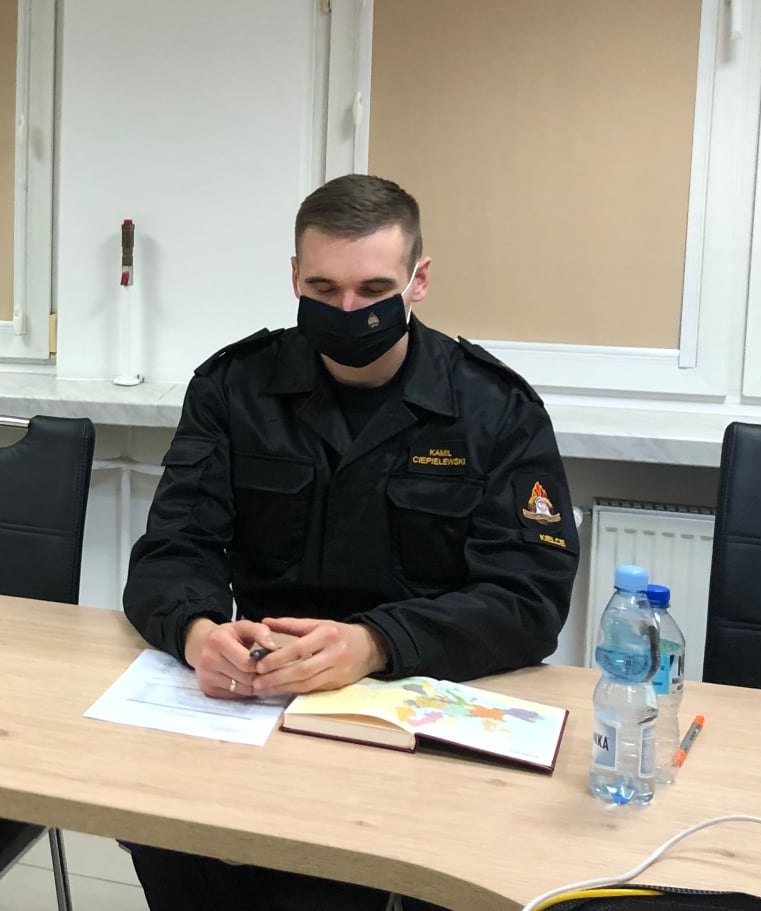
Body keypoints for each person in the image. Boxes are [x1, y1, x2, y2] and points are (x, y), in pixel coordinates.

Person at [121, 174, 579, 911]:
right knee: (158, 831)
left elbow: (529, 597)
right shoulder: (235, 387)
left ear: (418, 280)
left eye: (373, 289)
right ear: (294, 277)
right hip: (263, 700)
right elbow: (174, 547)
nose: (348, 311)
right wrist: (199, 633)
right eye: (324, 288)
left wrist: (374, 643)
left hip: (416, 705)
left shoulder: (493, 408)